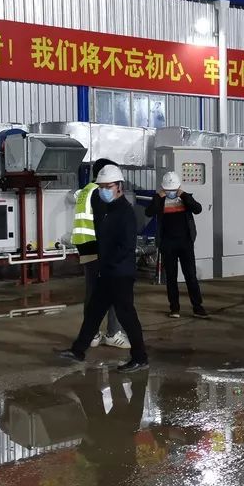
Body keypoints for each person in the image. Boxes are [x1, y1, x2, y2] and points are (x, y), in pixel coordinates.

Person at [57, 164, 149, 373]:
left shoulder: (125, 212)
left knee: (126, 315)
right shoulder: (107, 209)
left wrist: (108, 263)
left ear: (119, 187)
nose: (103, 190)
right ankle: (78, 351)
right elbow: (103, 240)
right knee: (94, 312)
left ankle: (140, 357)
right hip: (107, 272)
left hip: (120, 273)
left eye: (108, 186)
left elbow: (126, 246)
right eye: (101, 187)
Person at [71, 158, 130, 348]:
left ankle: (92, 334)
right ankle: (112, 333)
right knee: (112, 290)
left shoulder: (86, 190)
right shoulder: (98, 192)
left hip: (85, 245)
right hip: (97, 246)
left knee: (93, 291)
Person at [145, 171, 209, 319]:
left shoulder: (185, 198)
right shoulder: (159, 200)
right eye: (168, 190)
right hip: (168, 244)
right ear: (163, 188)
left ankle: (197, 307)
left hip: (185, 243)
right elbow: (149, 212)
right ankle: (174, 308)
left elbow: (198, 209)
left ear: (179, 187)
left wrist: (184, 195)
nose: (171, 192)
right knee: (171, 277)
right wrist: (157, 197)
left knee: (190, 276)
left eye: (173, 189)